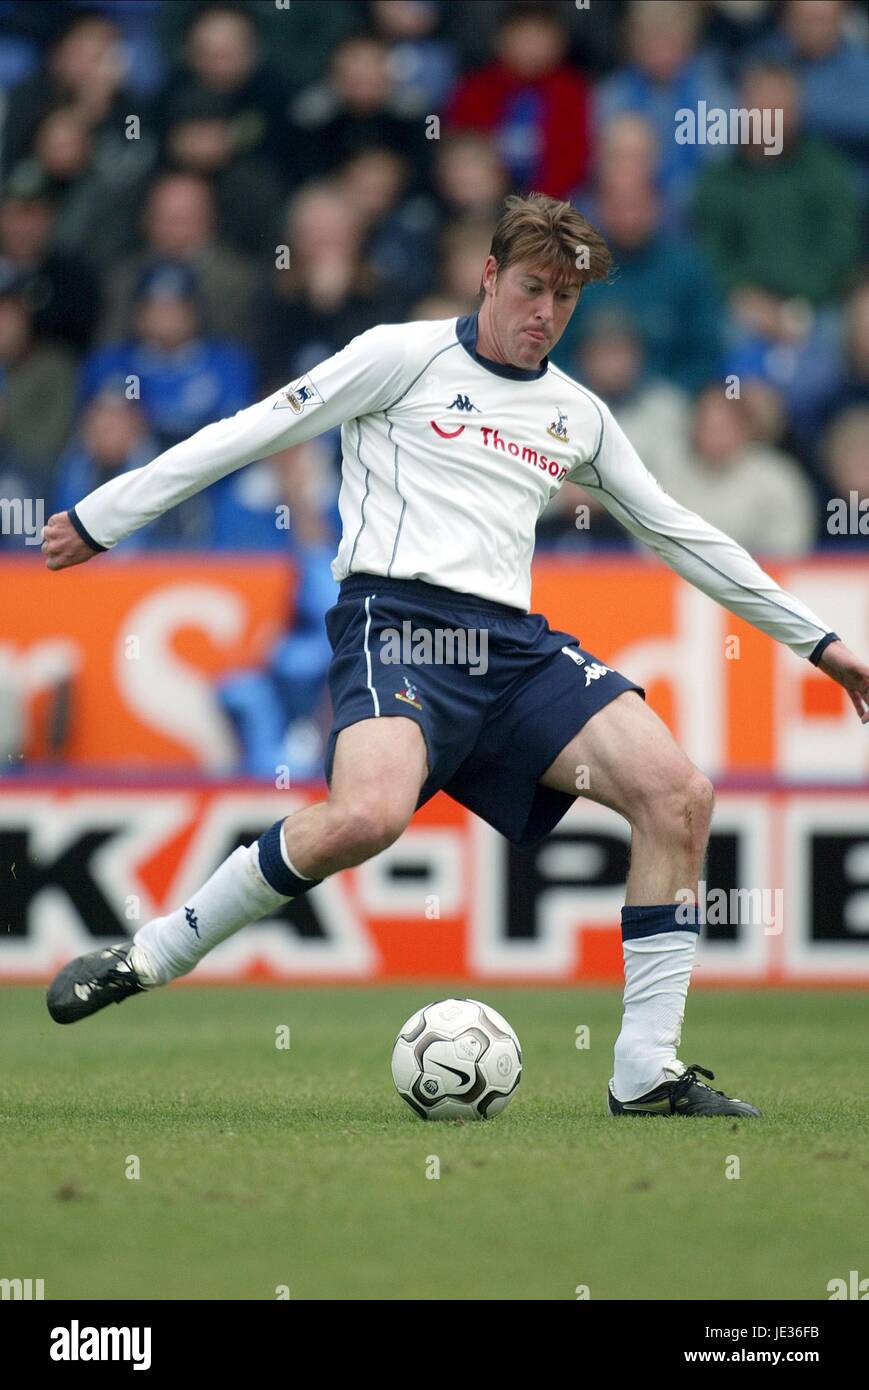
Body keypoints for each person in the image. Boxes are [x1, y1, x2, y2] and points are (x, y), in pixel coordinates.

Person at [41, 193, 869, 1120]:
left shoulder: (577, 415)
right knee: (366, 816)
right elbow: (254, 430)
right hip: (393, 622)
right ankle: (151, 954)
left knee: (677, 795)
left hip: (510, 648)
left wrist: (819, 641)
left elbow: (680, 533)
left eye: (564, 298)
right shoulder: (398, 356)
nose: (544, 314)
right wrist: (105, 516)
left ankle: (645, 1073)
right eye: (529, 288)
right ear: (487, 276)